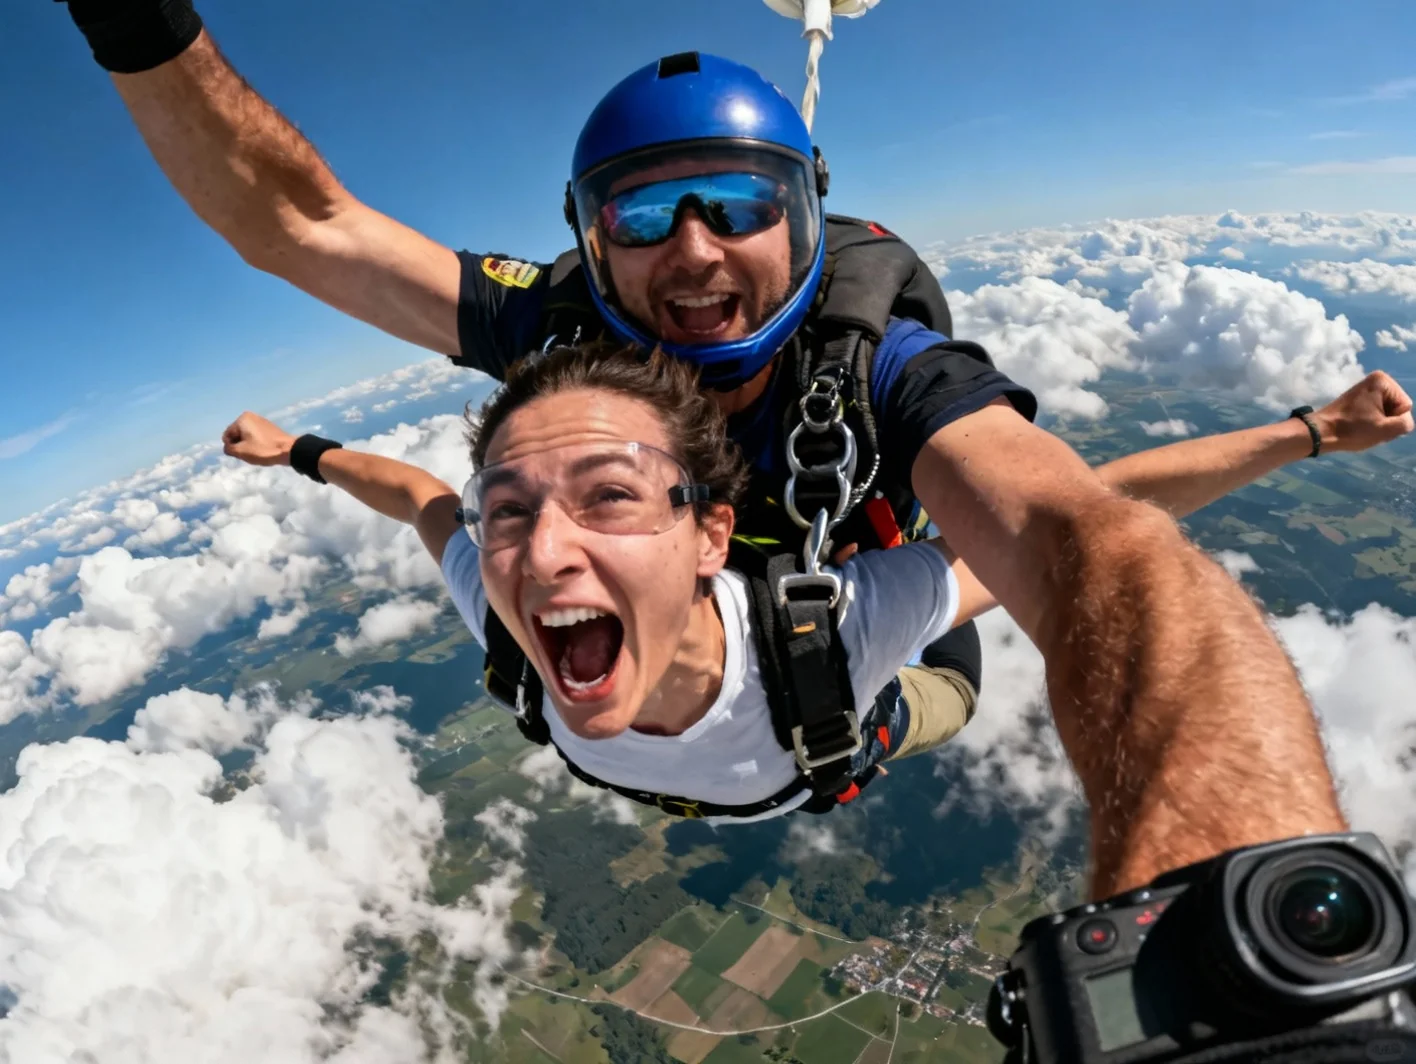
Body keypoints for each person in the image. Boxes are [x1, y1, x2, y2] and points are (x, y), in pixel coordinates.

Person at [62, 0, 1411, 895]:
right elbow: (302, 229)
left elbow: (1082, 539)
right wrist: (133, 22)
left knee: (933, 608)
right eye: (646, 215)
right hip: (700, 639)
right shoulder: (554, 336)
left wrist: (1236, 885)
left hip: (856, 658)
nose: (696, 250)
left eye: (740, 203)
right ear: (591, 240)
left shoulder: (878, 369)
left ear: (806, 214)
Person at [221, 342, 1414, 826]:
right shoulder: (503, 608)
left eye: (610, 495)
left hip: (881, 692)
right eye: (514, 510)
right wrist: (304, 455)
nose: (535, 554)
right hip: (788, 687)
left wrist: (1307, 430)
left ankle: (854, 528)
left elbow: (1087, 530)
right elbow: (425, 497)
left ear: (707, 536)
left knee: (928, 668)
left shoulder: (842, 637)